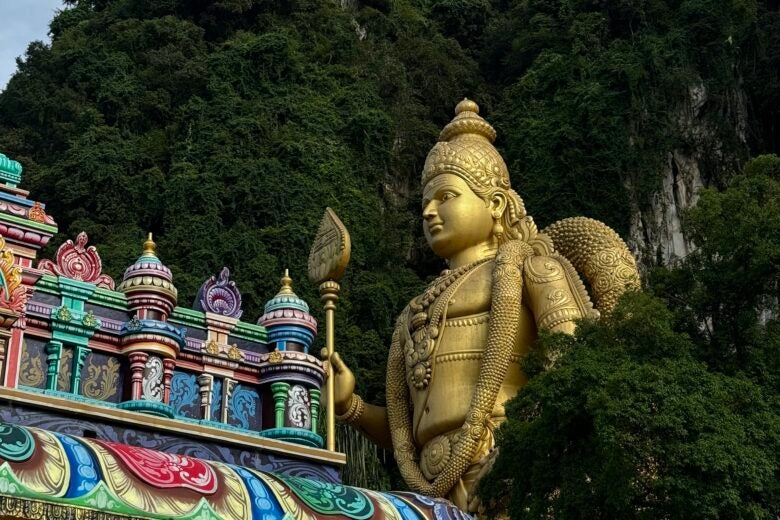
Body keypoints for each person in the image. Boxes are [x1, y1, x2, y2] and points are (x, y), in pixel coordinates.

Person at [331, 99, 639, 512]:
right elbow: (408, 432)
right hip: (433, 492)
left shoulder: (535, 270)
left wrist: (515, 454)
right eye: (426, 201)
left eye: (446, 196)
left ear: (494, 204)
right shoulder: (416, 310)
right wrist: (352, 407)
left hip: (516, 474)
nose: (429, 211)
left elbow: (572, 373)